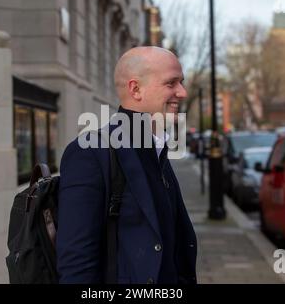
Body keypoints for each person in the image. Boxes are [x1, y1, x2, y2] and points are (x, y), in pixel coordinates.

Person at [56, 46, 197, 284]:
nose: (182, 92)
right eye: (171, 83)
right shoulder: (90, 152)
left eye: (181, 82)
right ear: (136, 89)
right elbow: (76, 266)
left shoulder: (158, 149)